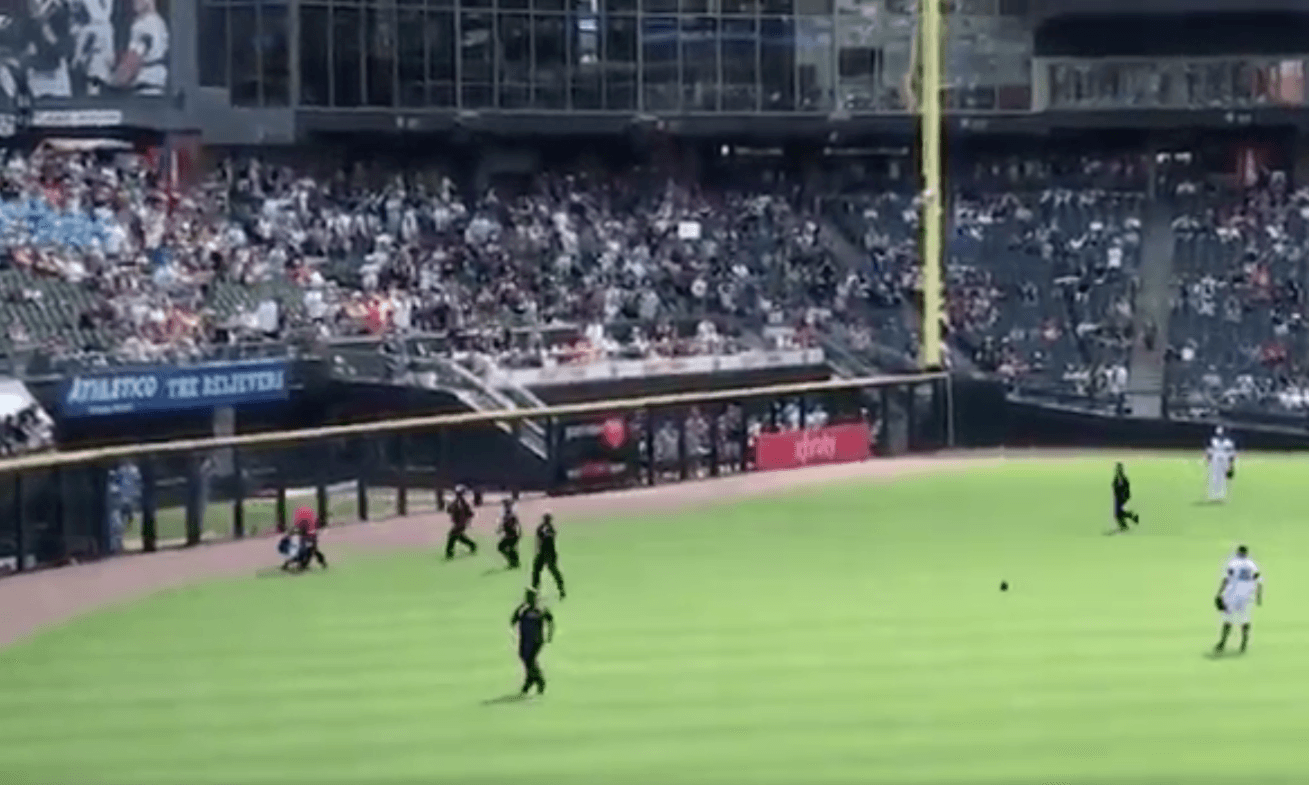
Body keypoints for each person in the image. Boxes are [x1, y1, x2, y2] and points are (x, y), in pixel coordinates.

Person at [1214, 545, 1263, 655]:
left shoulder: (1233, 563)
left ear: (1237, 552)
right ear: (1246, 553)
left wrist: (1219, 593)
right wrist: (1258, 596)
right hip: (1247, 596)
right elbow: (1259, 581)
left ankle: (1222, 643)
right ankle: (1244, 644)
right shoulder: (1252, 565)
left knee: (1228, 619)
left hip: (1233, 595)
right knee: (1245, 620)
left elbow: (1226, 579)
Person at [511, 588, 554, 696]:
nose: (529, 599)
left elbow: (550, 621)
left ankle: (540, 682)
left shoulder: (541, 609)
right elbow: (513, 621)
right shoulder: (523, 610)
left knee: (530, 661)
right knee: (525, 659)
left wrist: (549, 635)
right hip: (524, 639)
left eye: (531, 597)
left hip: (536, 640)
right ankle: (529, 682)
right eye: (528, 597)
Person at [531, 513, 566, 599]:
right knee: (536, 571)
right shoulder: (542, 528)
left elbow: (548, 537)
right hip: (542, 552)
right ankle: (534, 590)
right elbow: (539, 537)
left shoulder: (550, 529)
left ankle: (561, 589)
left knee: (553, 571)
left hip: (549, 553)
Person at [444, 485, 477, 560]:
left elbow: (452, 510)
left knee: (452, 536)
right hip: (460, 523)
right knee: (459, 537)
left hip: (460, 523)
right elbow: (450, 510)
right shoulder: (459, 501)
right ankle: (473, 545)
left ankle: (449, 554)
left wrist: (449, 506)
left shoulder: (460, 502)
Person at [1205, 426, 1236, 503]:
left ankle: (1221, 495)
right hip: (1215, 458)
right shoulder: (1213, 441)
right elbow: (1209, 451)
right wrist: (1209, 459)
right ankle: (1215, 495)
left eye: (1221, 434)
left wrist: (1231, 464)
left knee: (1223, 476)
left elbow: (1232, 453)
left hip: (1224, 458)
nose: (1220, 435)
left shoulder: (1228, 442)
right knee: (1215, 476)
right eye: (1219, 434)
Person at [1112, 462, 1139, 532]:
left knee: (1118, 514)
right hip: (1118, 497)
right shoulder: (1117, 477)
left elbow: (1126, 487)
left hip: (1121, 497)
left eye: (1118, 469)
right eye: (1117, 469)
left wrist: (1126, 495)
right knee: (1119, 513)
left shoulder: (1122, 478)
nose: (1117, 470)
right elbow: (1114, 486)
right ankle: (1132, 517)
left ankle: (1124, 526)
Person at [497, 498, 521, 570]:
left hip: (511, 535)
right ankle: (513, 562)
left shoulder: (510, 515)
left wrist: (513, 533)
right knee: (505, 548)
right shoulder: (507, 515)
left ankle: (514, 563)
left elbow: (513, 525)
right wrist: (501, 529)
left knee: (507, 548)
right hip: (510, 534)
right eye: (505, 506)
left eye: (506, 505)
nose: (505, 507)